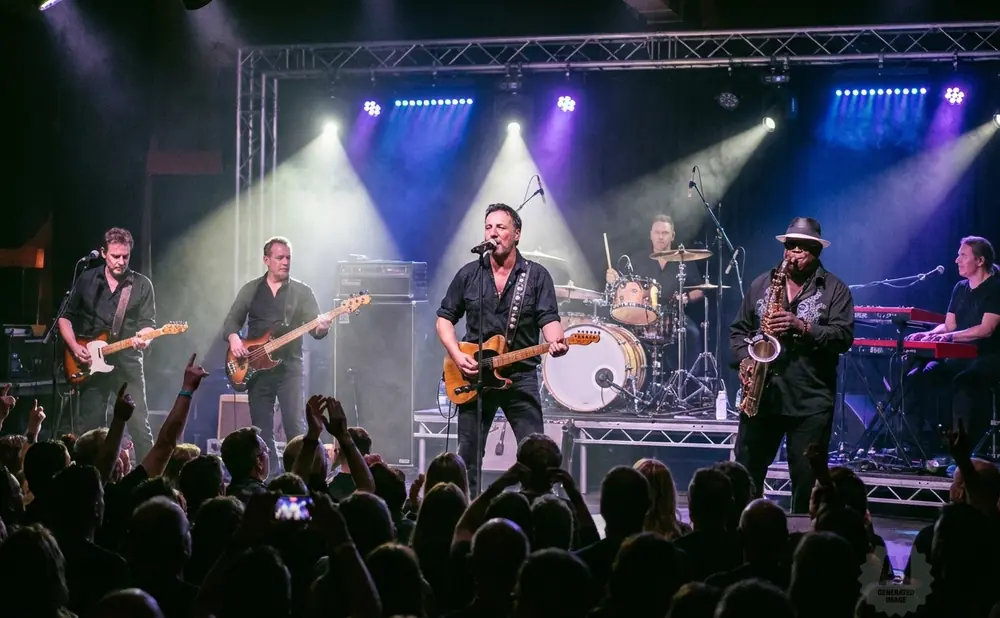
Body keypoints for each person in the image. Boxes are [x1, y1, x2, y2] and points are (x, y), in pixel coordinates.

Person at [436, 203, 568, 495]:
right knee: (467, 456)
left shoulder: (536, 276)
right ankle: (466, 517)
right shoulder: (469, 274)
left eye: (501, 227)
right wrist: (457, 356)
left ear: (517, 234)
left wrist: (556, 339)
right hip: (474, 378)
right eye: (488, 227)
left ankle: (537, 511)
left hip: (520, 377)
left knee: (536, 455)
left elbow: (549, 320)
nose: (493, 233)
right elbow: (445, 317)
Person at [730, 217, 854, 514]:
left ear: (816, 251)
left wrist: (802, 326)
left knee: (806, 480)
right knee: (746, 474)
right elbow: (738, 331)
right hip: (763, 398)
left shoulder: (835, 289)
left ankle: (800, 542)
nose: (793, 253)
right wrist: (746, 361)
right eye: (789, 246)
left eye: (801, 248)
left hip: (809, 401)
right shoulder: (762, 284)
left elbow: (843, 337)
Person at [222, 236, 332, 472]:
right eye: (280, 258)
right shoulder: (251, 289)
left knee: (295, 426)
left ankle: (300, 477)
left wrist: (322, 327)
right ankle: (268, 480)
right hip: (256, 369)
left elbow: (315, 329)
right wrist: (234, 339)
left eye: (288, 258)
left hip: (289, 368)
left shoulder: (301, 292)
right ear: (266, 260)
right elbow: (231, 321)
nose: (285, 262)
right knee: (261, 430)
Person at [58, 227, 157, 460]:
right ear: (103, 253)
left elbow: (148, 325)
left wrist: (145, 337)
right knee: (89, 430)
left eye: (126, 256)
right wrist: (74, 347)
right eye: (115, 256)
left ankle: (149, 479)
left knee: (139, 426)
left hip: (128, 364)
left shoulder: (142, 285)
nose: (121, 262)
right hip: (90, 365)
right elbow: (65, 317)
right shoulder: (87, 278)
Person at [905, 236, 1000, 444]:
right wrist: (929, 334)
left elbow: (986, 330)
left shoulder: (995, 288)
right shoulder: (959, 288)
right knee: (917, 376)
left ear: (980, 261)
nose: (957, 260)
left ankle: (961, 448)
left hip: (988, 357)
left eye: (963, 255)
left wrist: (948, 336)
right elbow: (949, 326)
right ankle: (919, 443)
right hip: (958, 355)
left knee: (963, 381)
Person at [606, 213, 704, 371]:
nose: (660, 237)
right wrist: (615, 281)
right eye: (657, 232)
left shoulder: (683, 260)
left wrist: (686, 297)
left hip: (675, 314)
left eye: (665, 233)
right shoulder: (638, 260)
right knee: (623, 335)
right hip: (643, 315)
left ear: (672, 236)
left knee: (693, 334)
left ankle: (688, 385)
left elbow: (700, 290)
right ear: (650, 235)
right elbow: (625, 288)